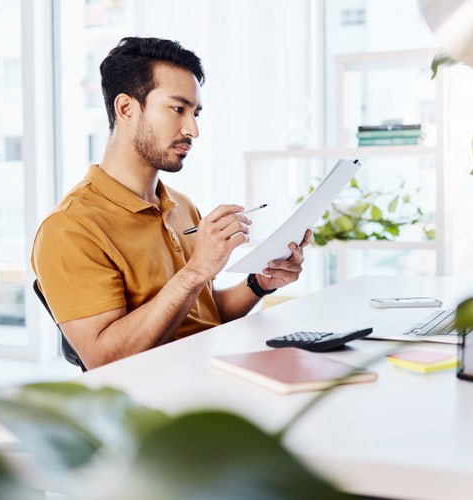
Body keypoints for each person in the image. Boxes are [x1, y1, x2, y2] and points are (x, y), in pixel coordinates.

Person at [31, 37, 311, 369]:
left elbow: (200, 314)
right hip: (161, 403)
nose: (192, 129)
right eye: (178, 109)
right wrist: (195, 272)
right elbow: (103, 360)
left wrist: (259, 283)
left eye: (195, 113)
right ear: (126, 109)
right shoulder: (70, 228)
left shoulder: (182, 206)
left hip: (214, 372)